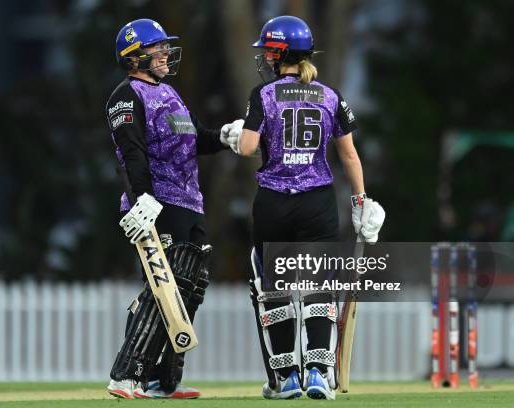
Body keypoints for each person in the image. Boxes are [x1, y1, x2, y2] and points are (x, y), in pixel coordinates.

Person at [232, 16, 385, 400]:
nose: (265, 56)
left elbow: (249, 148)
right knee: (318, 287)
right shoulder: (330, 95)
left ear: (281, 53)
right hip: (318, 203)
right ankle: (318, 372)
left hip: (273, 203)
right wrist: (361, 201)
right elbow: (349, 155)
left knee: (277, 290)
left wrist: (237, 135)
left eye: (269, 49)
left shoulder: (262, 95)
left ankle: (285, 378)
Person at [105, 19, 239, 399]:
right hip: (156, 203)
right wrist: (142, 198)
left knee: (190, 290)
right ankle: (125, 374)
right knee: (166, 287)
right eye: (157, 48)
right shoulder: (126, 95)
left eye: (165, 47)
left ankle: (162, 380)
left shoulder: (169, 93)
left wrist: (225, 138)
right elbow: (131, 153)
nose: (165, 53)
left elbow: (194, 138)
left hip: (190, 201)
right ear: (134, 57)